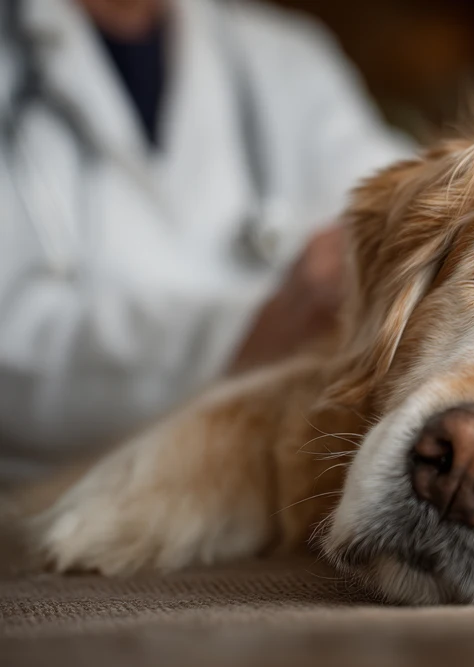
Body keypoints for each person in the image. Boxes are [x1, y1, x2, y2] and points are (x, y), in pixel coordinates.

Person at [0, 0, 414, 485]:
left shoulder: (282, 55)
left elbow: (397, 197)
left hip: (252, 481)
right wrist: (251, 331)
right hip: (37, 496)